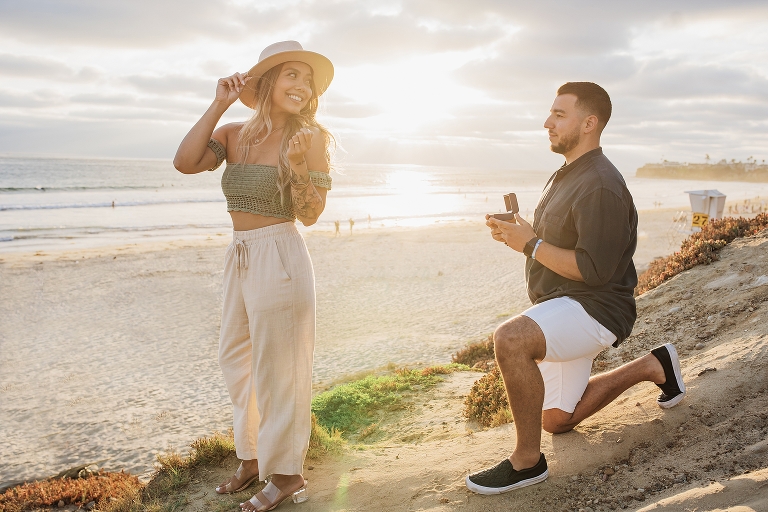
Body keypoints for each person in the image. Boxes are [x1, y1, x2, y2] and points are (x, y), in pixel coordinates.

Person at [466, 82, 686, 495]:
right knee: (556, 421)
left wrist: (530, 244)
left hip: (597, 307)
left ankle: (526, 463)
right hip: (565, 304)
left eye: (559, 115)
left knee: (510, 339)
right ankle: (652, 366)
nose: (547, 123)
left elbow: (594, 270)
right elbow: (556, 244)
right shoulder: (566, 173)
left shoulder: (600, 184)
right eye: (550, 113)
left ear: (590, 123)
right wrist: (521, 236)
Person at [173, 41, 335, 511]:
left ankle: (286, 474)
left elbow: (311, 214)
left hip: (280, 252)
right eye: (291, 76)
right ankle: (252, 456)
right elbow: (185, 162)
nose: (302, 86)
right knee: (235, 359)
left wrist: (301, 162)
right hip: (239, 254)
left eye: (307, 79)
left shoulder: (311, 137)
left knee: (280, 369)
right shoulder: (232, 132)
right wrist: (219, 101)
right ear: (266, 84)